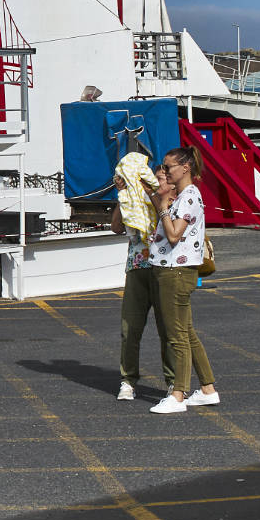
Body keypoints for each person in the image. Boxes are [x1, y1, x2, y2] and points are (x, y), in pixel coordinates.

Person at [146, 146, 221, 414]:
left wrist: (164, 207)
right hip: (172, 269)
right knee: (186, 332)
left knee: (176, 335)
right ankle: (207, 389)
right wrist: (161, 201)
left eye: (169, 167)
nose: (165, 172)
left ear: (185, 167)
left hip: (175, 272)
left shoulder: (188, 196)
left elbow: (174, 234)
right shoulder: (185, 196)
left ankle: (178, 394)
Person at [109, 152, 161, 401]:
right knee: (130, 329)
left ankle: (174, 382)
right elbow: (117, 227)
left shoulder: (165, 198)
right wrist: (124, 195)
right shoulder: (134, 198)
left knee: (169, 330)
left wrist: (145, 189)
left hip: (164, 268)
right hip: (137, 266)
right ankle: (127, 380)